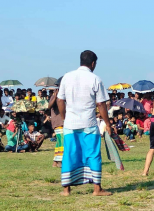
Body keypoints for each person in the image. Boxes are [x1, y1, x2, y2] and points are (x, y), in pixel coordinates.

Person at [57, 50, 112, 196]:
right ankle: (97, 189)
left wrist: (64, 118)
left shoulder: (67, 77)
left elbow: (60, 100)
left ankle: (66, 190)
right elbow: (101, 104)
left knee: (69, 154)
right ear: (93, 63)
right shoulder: (95, 79)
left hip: (70, 123)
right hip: (89, 123)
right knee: (93, 154)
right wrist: (107, 123)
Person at [48, 87, 64, 168]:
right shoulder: (54, 97)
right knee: (62, 141)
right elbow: (49, 106)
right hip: (58, 122)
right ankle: (60, 161)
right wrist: (55, 96)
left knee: (59, 142)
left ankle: (55, 161)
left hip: (64, 123)